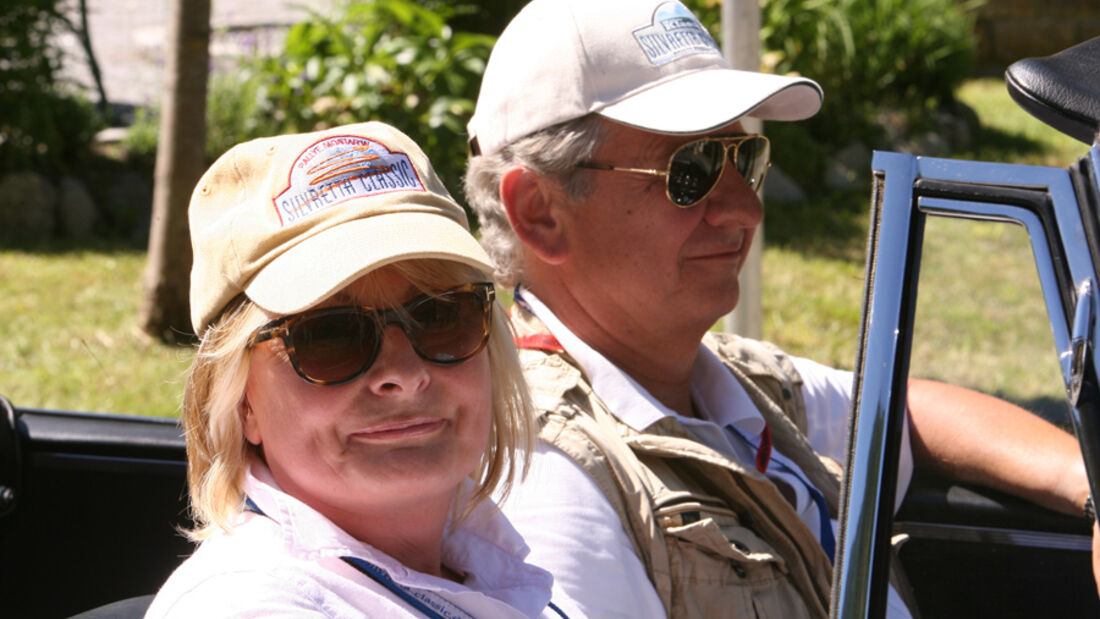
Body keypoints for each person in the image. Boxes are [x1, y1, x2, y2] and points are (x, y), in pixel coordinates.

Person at [463, 1, 1095, 617]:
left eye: (745, 159)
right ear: (540, 213)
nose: (747, 210)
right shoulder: (551, 477)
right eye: (693, 168)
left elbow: (895, 410)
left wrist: (1088, 481)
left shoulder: (713, 378)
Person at [146, 121, 565, 618]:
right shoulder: (250, 605)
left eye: (439, 315)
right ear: (240, 402)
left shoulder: (485, 570)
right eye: (331, 335)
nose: (405, 374)